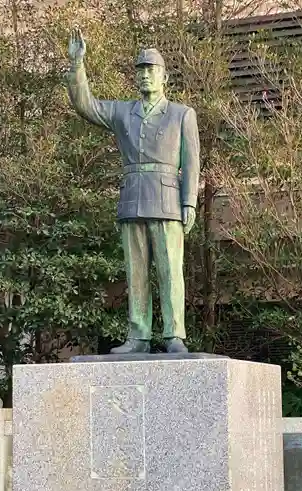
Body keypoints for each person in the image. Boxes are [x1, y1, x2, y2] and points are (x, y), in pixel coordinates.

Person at [67, 29, 200, 354]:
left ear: (164, 76)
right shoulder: (123, 111)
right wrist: (77, 64)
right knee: (136, 272)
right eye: (140, 70)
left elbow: (192, 161)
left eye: (151, 69)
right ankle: (138, 335)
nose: (145, 75)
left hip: (168, 199)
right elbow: (87, 105)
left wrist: (189, 202)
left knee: (170, 271)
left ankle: (173, 335)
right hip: (132, 198)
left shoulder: (182, 114)